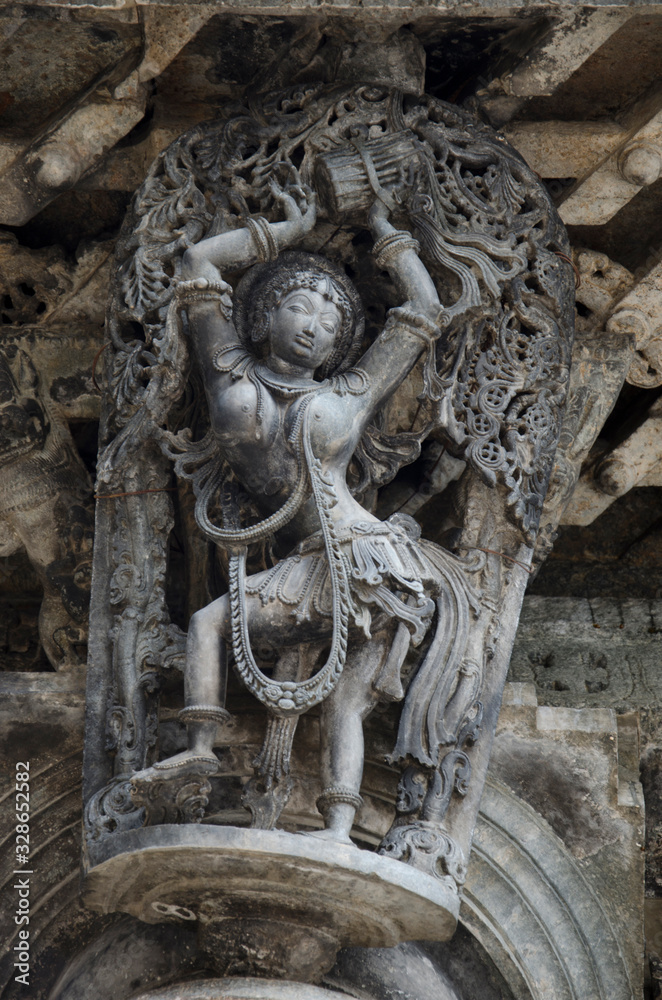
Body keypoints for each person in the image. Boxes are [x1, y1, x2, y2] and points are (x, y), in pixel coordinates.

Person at [147, 174, 447, 844]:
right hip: (308, 559)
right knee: (207, 624)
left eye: (331, 320)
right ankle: (199, 749)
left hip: (367, 554)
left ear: (342, 342)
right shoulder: (228, 368)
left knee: (346, 700)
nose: (314, 325)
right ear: (264, 313)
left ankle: (339, 829)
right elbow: (196, 264)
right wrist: (281, 232)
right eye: (299, 307)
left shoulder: (353, 390)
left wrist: (384, 229)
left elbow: (423, 310)